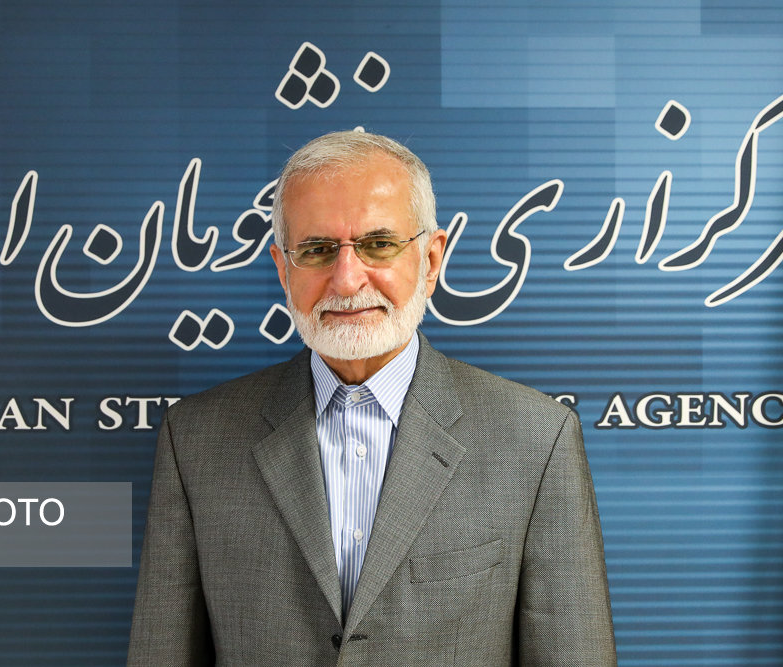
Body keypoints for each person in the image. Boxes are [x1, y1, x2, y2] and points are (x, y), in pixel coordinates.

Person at [128, 131, 617, 666]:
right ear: (283, 269)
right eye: (317, 250)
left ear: (431, 260)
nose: (346, 279)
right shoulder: (195, 440)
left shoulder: (536, 441)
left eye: (378, 244)